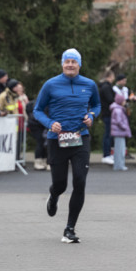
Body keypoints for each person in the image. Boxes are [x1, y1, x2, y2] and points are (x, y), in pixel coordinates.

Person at [33, 48, 101, 243]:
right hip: (58, 139)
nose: (70, 64)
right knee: (61, 184)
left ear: (79, 64)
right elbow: (37, 110)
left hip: (81, 138)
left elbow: (96, 105)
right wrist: (49, 124)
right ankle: (53, 195)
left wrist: (91, 116)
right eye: (67, 61)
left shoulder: (89, 84)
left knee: (80, 181)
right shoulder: (50, 85)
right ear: (62, 64)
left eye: (74, 61)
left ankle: (69, 228)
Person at [110, 93, 132, 171]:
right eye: (123, 101)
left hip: (118, 132)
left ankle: (118, 165)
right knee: (120, 150)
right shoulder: (118, 110)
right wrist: (125, 127)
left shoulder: (117, 109)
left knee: (119, 150)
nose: (125, 102)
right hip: (119, 132)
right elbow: (119, 122)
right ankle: (119, 165)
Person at [98, 70, 116, 164]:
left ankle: (108, 153)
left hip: (108, 113)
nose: (114, 78)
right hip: (108, 113)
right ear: (109, 76)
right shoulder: (106, 87)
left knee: (109, 134)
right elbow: (110, 99)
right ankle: (106, 155)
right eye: (113, 76)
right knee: (108, 134)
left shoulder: (105, 86)